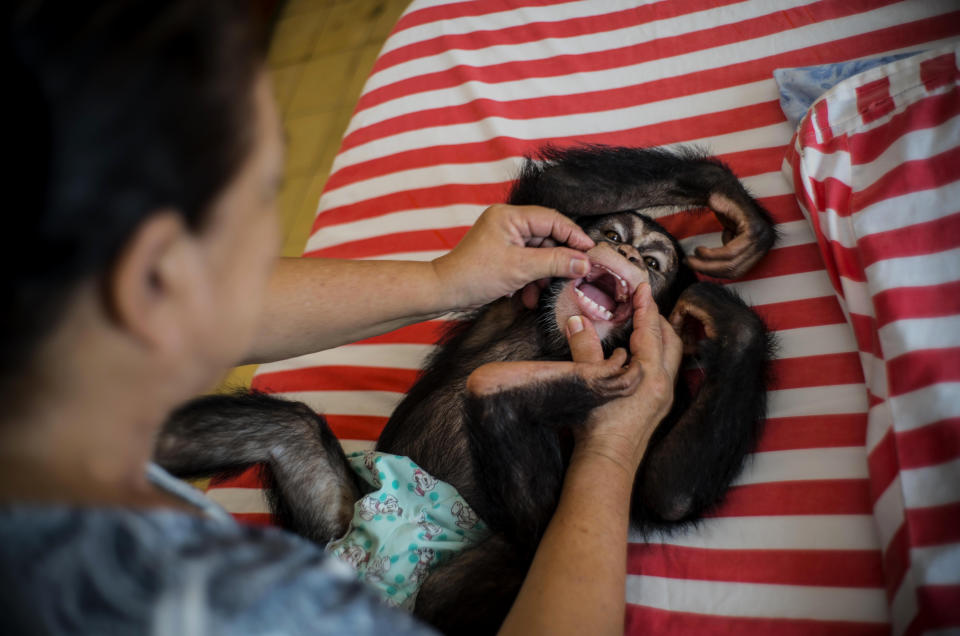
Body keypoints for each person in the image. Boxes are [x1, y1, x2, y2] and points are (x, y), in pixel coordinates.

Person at [1, 1, 682, 634]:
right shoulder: (247, 605)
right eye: (266, 199)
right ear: (155, 277)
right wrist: (610, 449)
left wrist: (441, 281)